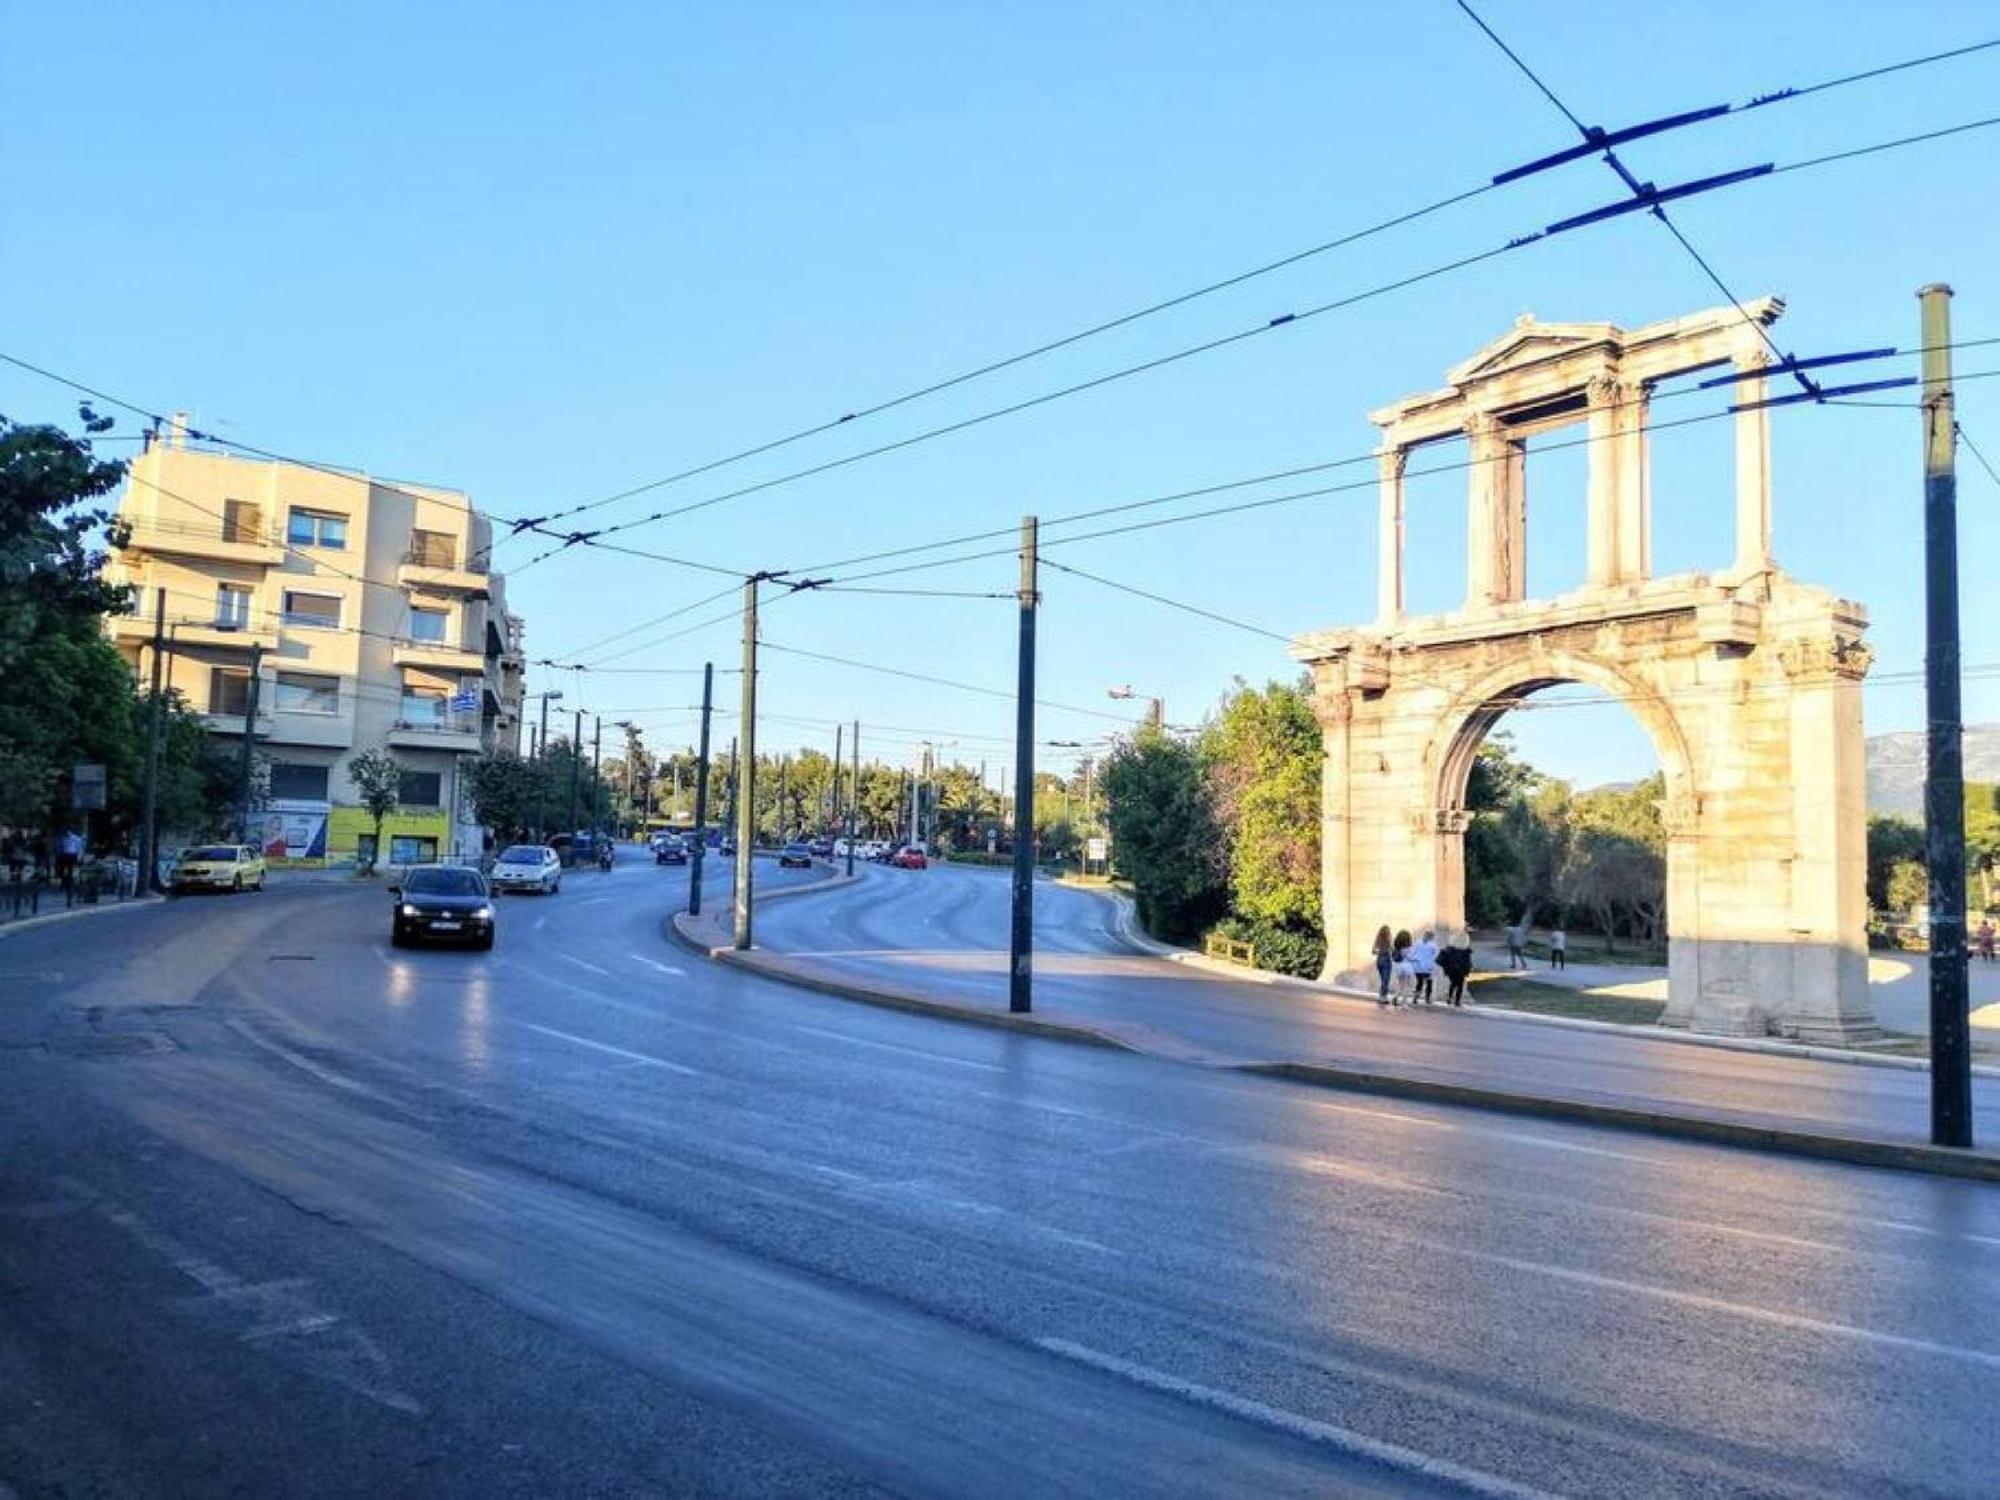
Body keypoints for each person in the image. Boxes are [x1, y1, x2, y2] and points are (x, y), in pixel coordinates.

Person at [1439, 930, 1474, 1006]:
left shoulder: (1450, 949)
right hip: (1461, 969)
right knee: (1460, 985)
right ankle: (1457, 1001)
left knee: (1453, 983)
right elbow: (1468, 961)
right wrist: (1469, 968)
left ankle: (1450, 997)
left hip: (1451, 969)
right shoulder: (1465, 950)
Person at [1410, 929, 1439, 1004]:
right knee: (1429, 983)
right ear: (1432, 937)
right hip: (1428, 967)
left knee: (1419, 983)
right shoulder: (1433, 945)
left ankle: (1415, 998)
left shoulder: (1418, 942)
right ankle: (1427, 998)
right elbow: (1436, 956)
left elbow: (1413, 953)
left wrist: (1413, 962)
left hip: (1418, 967)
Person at [1390, 928, 1415, 1006]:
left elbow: (1393, 956)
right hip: (1407, 966)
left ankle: (1395, 997)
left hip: (1398, 966)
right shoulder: (1409, 947)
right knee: (1408, 985)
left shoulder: (1396, 946)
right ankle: (1404, 1002)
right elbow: (1410, 957)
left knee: (1400, 984)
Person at [1372, 924, 1394, 1006]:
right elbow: (1392, 949)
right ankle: (1383, 997)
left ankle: (1382, 996)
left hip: (1380, 961)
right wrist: (1385, 950)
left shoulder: (1378, 939)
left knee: (1384, 980)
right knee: (1385, 980)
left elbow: (1373, 951)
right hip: (1385, 961)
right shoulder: (1387, 939)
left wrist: (1379, 951)